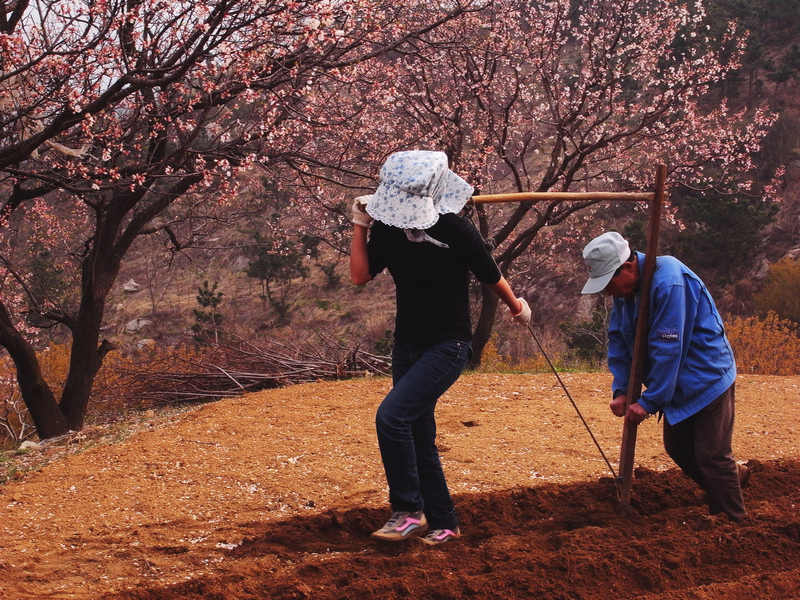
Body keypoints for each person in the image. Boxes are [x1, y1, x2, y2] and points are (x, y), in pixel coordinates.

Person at [350, 150, 531, 545]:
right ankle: (446, 523)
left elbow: (491, 275)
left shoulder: (455, 229)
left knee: (391, 418)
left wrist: (517, 307)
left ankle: (408, 510)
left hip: (448, 345)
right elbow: (360, 276)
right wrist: (360, 225)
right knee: (416, 433)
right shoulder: (388, 229)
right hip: (407, 345)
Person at [581, 231, 748, 522]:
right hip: (674, 381)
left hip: (706, 375)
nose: (608, 293)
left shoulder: (669, 282)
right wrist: (622, 390)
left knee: (711, 454)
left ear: (628, 268)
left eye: (608, 284)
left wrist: (650, 401)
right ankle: (734, 478)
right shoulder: (626, 291)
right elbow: (620, 339)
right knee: (679, 447)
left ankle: (732, 523)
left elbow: (668, 348)